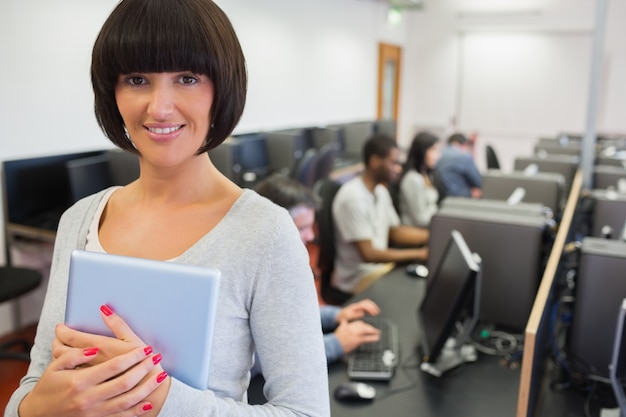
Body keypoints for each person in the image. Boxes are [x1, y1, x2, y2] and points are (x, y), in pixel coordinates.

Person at [5, 1, 329, 416]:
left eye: (187, 78)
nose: (159, 107)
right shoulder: (80, 219)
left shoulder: (265, 232)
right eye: (137, 79)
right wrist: (38, 408)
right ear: (113, 92)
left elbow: (306, 411)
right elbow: (33, 386)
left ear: (221, 89)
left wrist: (161, 397)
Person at [255, 174, 382, 363]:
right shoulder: (254, 278)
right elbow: (269, 357)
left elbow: (293, 313)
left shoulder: (279, 262)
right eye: (302, 228)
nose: (310, 235)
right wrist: (337, 343)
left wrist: (335, 315)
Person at [331, 134, 429, 295]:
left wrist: (432, 236)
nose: (399, 169)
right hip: (357, 279)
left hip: (379, 269)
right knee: (413, 294)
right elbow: (369, 254)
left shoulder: (381, 191)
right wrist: (420, 253)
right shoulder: (352, 197)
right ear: (375, 161)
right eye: (394, 163)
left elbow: (395, 231)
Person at [398, 131, 441, 227]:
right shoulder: (413, 179)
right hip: (415, 232)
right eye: (433, 150)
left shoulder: (426, 175)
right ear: (422, 151)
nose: (438, 156)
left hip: (429, 226)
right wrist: (440, 215)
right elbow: (421, 220)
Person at [433, 132, 483, 201]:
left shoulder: (438, 154)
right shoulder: (464, 156)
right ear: (464, 144)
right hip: (458, 197)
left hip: (439, 197)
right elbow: (477, 181)